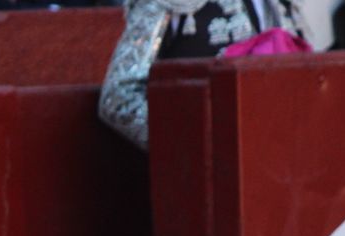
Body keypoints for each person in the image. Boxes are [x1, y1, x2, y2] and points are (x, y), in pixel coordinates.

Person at [99, 0, 307, 150]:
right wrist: (197, 141)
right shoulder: (163, 5)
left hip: (274, 160)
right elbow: (118, 97)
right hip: (197, 176)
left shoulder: (274, 4)